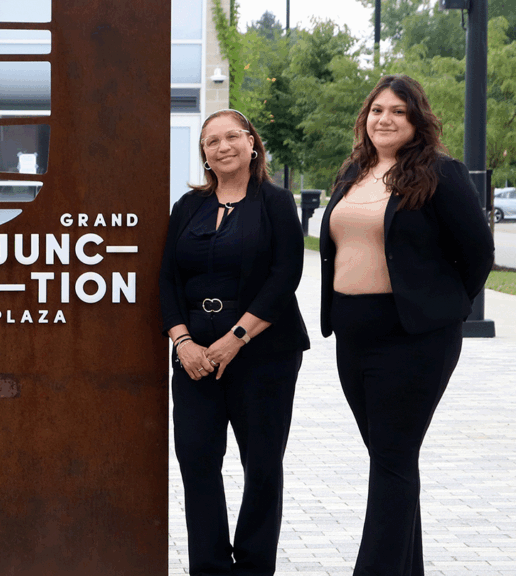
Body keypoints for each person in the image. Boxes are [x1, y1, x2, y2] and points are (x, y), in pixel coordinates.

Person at [319, 75, 493, 576]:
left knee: (392, 461)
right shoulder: (355, 171)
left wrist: (445, 309)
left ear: (417, 119)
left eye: (398, 111)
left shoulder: (440, 172)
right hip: (353, 335)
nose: (385, 119)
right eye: (377, 110)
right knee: (391, 460)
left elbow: (478, 251)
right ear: (365, 118)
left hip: (414, 339)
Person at [159, 109, 309, 575]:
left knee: (262, 467)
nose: (221, 147)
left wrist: (236, 338)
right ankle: (208, 567)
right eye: (210, 141)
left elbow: (286, 277)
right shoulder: (187, 207)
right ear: (203, 154)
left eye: (231, 137)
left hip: (264, 354)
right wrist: (182, 342)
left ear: (252, 144)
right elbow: (165, 279)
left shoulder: (277, 203)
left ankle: (253, 566)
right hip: (195, 357)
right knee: (197, 461)